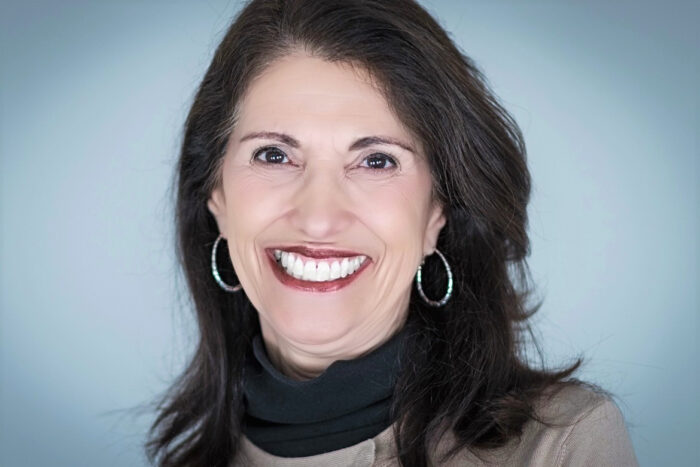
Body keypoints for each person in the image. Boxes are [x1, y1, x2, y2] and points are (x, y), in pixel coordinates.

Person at [146, 0, 639, 465]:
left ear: (436, 212)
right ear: (217, 195)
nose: (318, 218)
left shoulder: (560, 446)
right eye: (274, 155)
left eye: (376, 161)